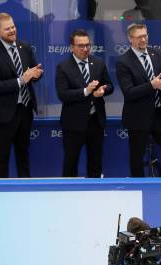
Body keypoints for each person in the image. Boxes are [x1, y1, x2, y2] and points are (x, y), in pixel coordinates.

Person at [0, 13, 43, 178]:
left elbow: (33, 73)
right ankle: (0, 190)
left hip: (25, 109)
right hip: (4, 113)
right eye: (7, 28)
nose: (12, 31)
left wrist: (37, 74)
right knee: (2, 154)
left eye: (13, 26)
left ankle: (26, 188)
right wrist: (22, 80)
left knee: (23, 152)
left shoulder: (25, 46)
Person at [116, 23, 161, 177]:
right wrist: (151, 85)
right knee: (137, 157)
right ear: (130, 39)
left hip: (159, 114)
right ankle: (138, 188)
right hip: (138, 117)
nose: (143, 39)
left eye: (145, 35)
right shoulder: (123, 62)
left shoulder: (157, 54)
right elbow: (129, 92)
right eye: (139, 37)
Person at [55, 29, 113, 178]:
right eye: (80, 45)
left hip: (96, 121)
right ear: (71, 47)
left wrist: (103, 91)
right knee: (70, 163)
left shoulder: (98, 63)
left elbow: (110, 85)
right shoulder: (63, 67)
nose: (85, 49)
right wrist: (86, 91)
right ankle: (69, 194)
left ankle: (95, 194)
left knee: (96, 163)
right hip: (73, 123)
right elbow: (63, 95)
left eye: (87, 45)